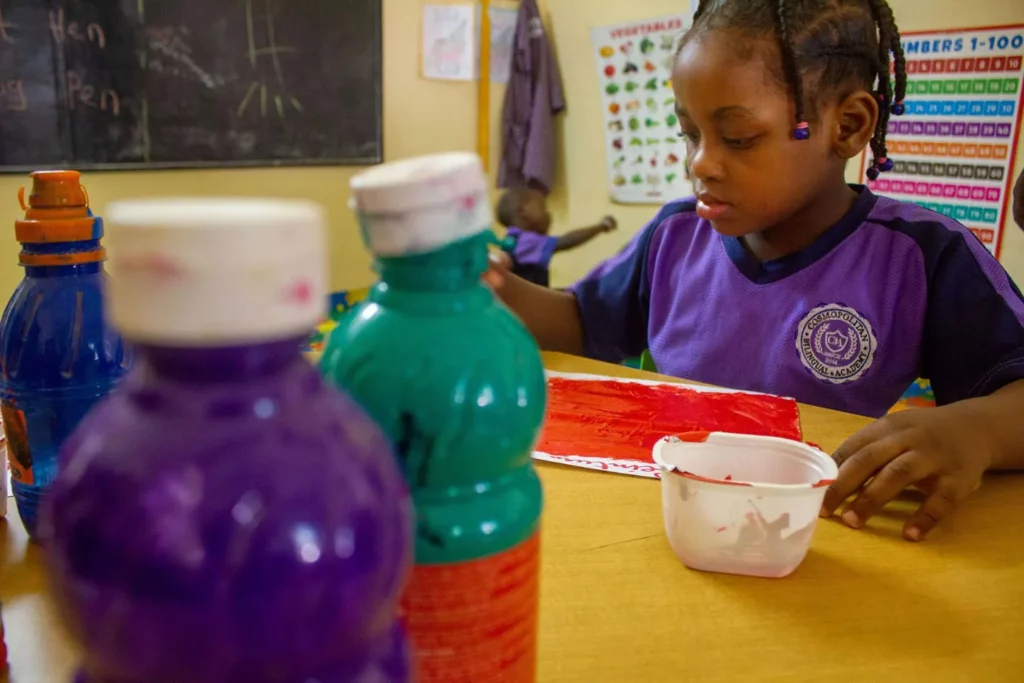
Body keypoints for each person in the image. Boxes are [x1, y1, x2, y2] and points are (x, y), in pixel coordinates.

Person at [486, 0, 1024, 542]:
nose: (699, 163)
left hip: (816, 535)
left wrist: (974, 431)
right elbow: (581, 321)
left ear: (849, 125)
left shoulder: (923, 254)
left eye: (738, 138)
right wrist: (488, 287)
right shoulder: (676, 234)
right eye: (689, 132)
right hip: (663, 523)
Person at [496, 186, 617, 287]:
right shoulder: (525, 240)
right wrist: (601, 227)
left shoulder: (512, 239)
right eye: (543, 208)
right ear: (523, 211)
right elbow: (566, 242)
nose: (549, 214)